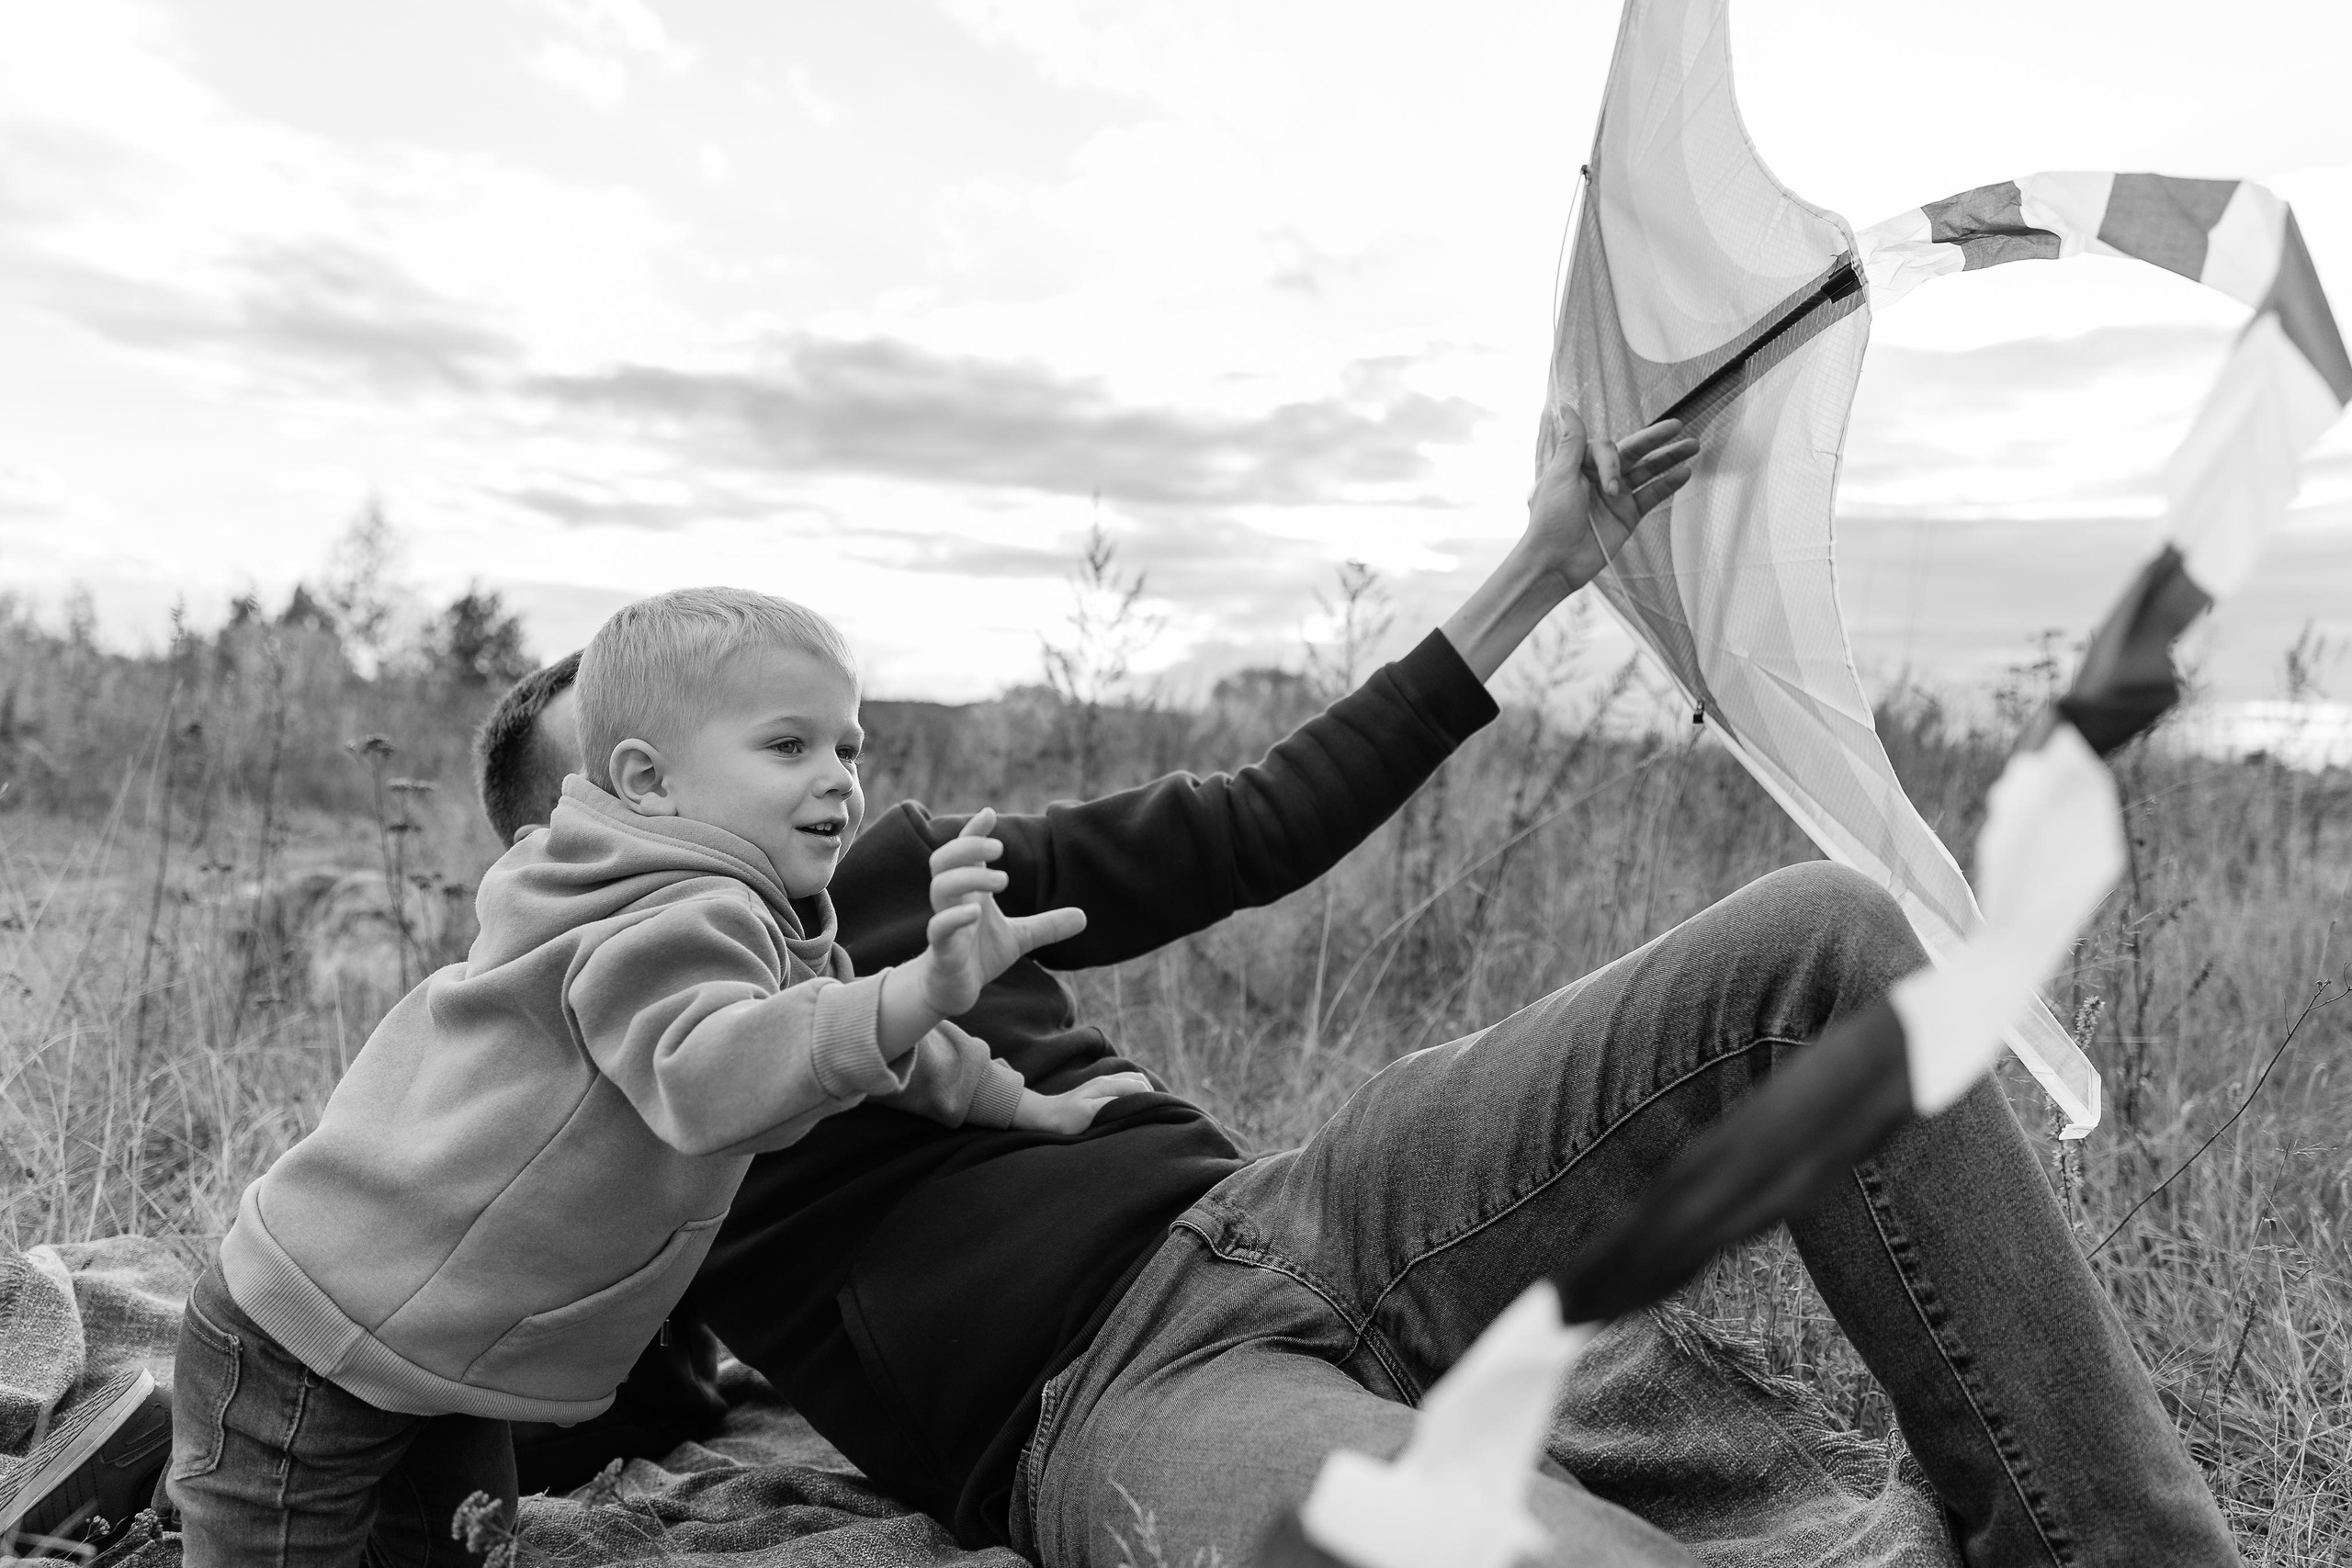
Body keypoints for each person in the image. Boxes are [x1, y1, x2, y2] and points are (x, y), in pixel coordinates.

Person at [475, 412, 2239, 1568]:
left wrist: (1551, 558)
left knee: (1822, 942)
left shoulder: (916, 870)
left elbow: (1257, 824)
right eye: (625, 779)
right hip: (1116, 1403)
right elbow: (462, 1362)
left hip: (1302, 1211)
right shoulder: (601, 1091)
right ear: (565, 845)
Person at [164, 588, 1144, 1566]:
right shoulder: (663, 920)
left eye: (847, 747)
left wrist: (1016, 1100)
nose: (839, 781)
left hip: (427, 1351)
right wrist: (920, 990)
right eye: (787, 747)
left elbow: (858, 1040)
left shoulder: (730, 913)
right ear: (645, 779)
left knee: (460, 1551)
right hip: (315, 1344)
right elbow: (711, 1079)